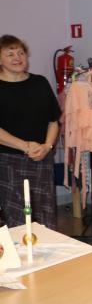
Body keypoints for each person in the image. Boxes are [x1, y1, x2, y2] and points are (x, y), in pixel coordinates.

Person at [0, 36, 60, 229]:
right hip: (9, 162)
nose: (17, 57)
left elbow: (53, 121)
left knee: (46, 215)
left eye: (21, 53)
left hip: (42, 158)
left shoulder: (40, 82)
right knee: (17, 218)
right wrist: (26, 147)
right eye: (10, 54)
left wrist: (47, 146)